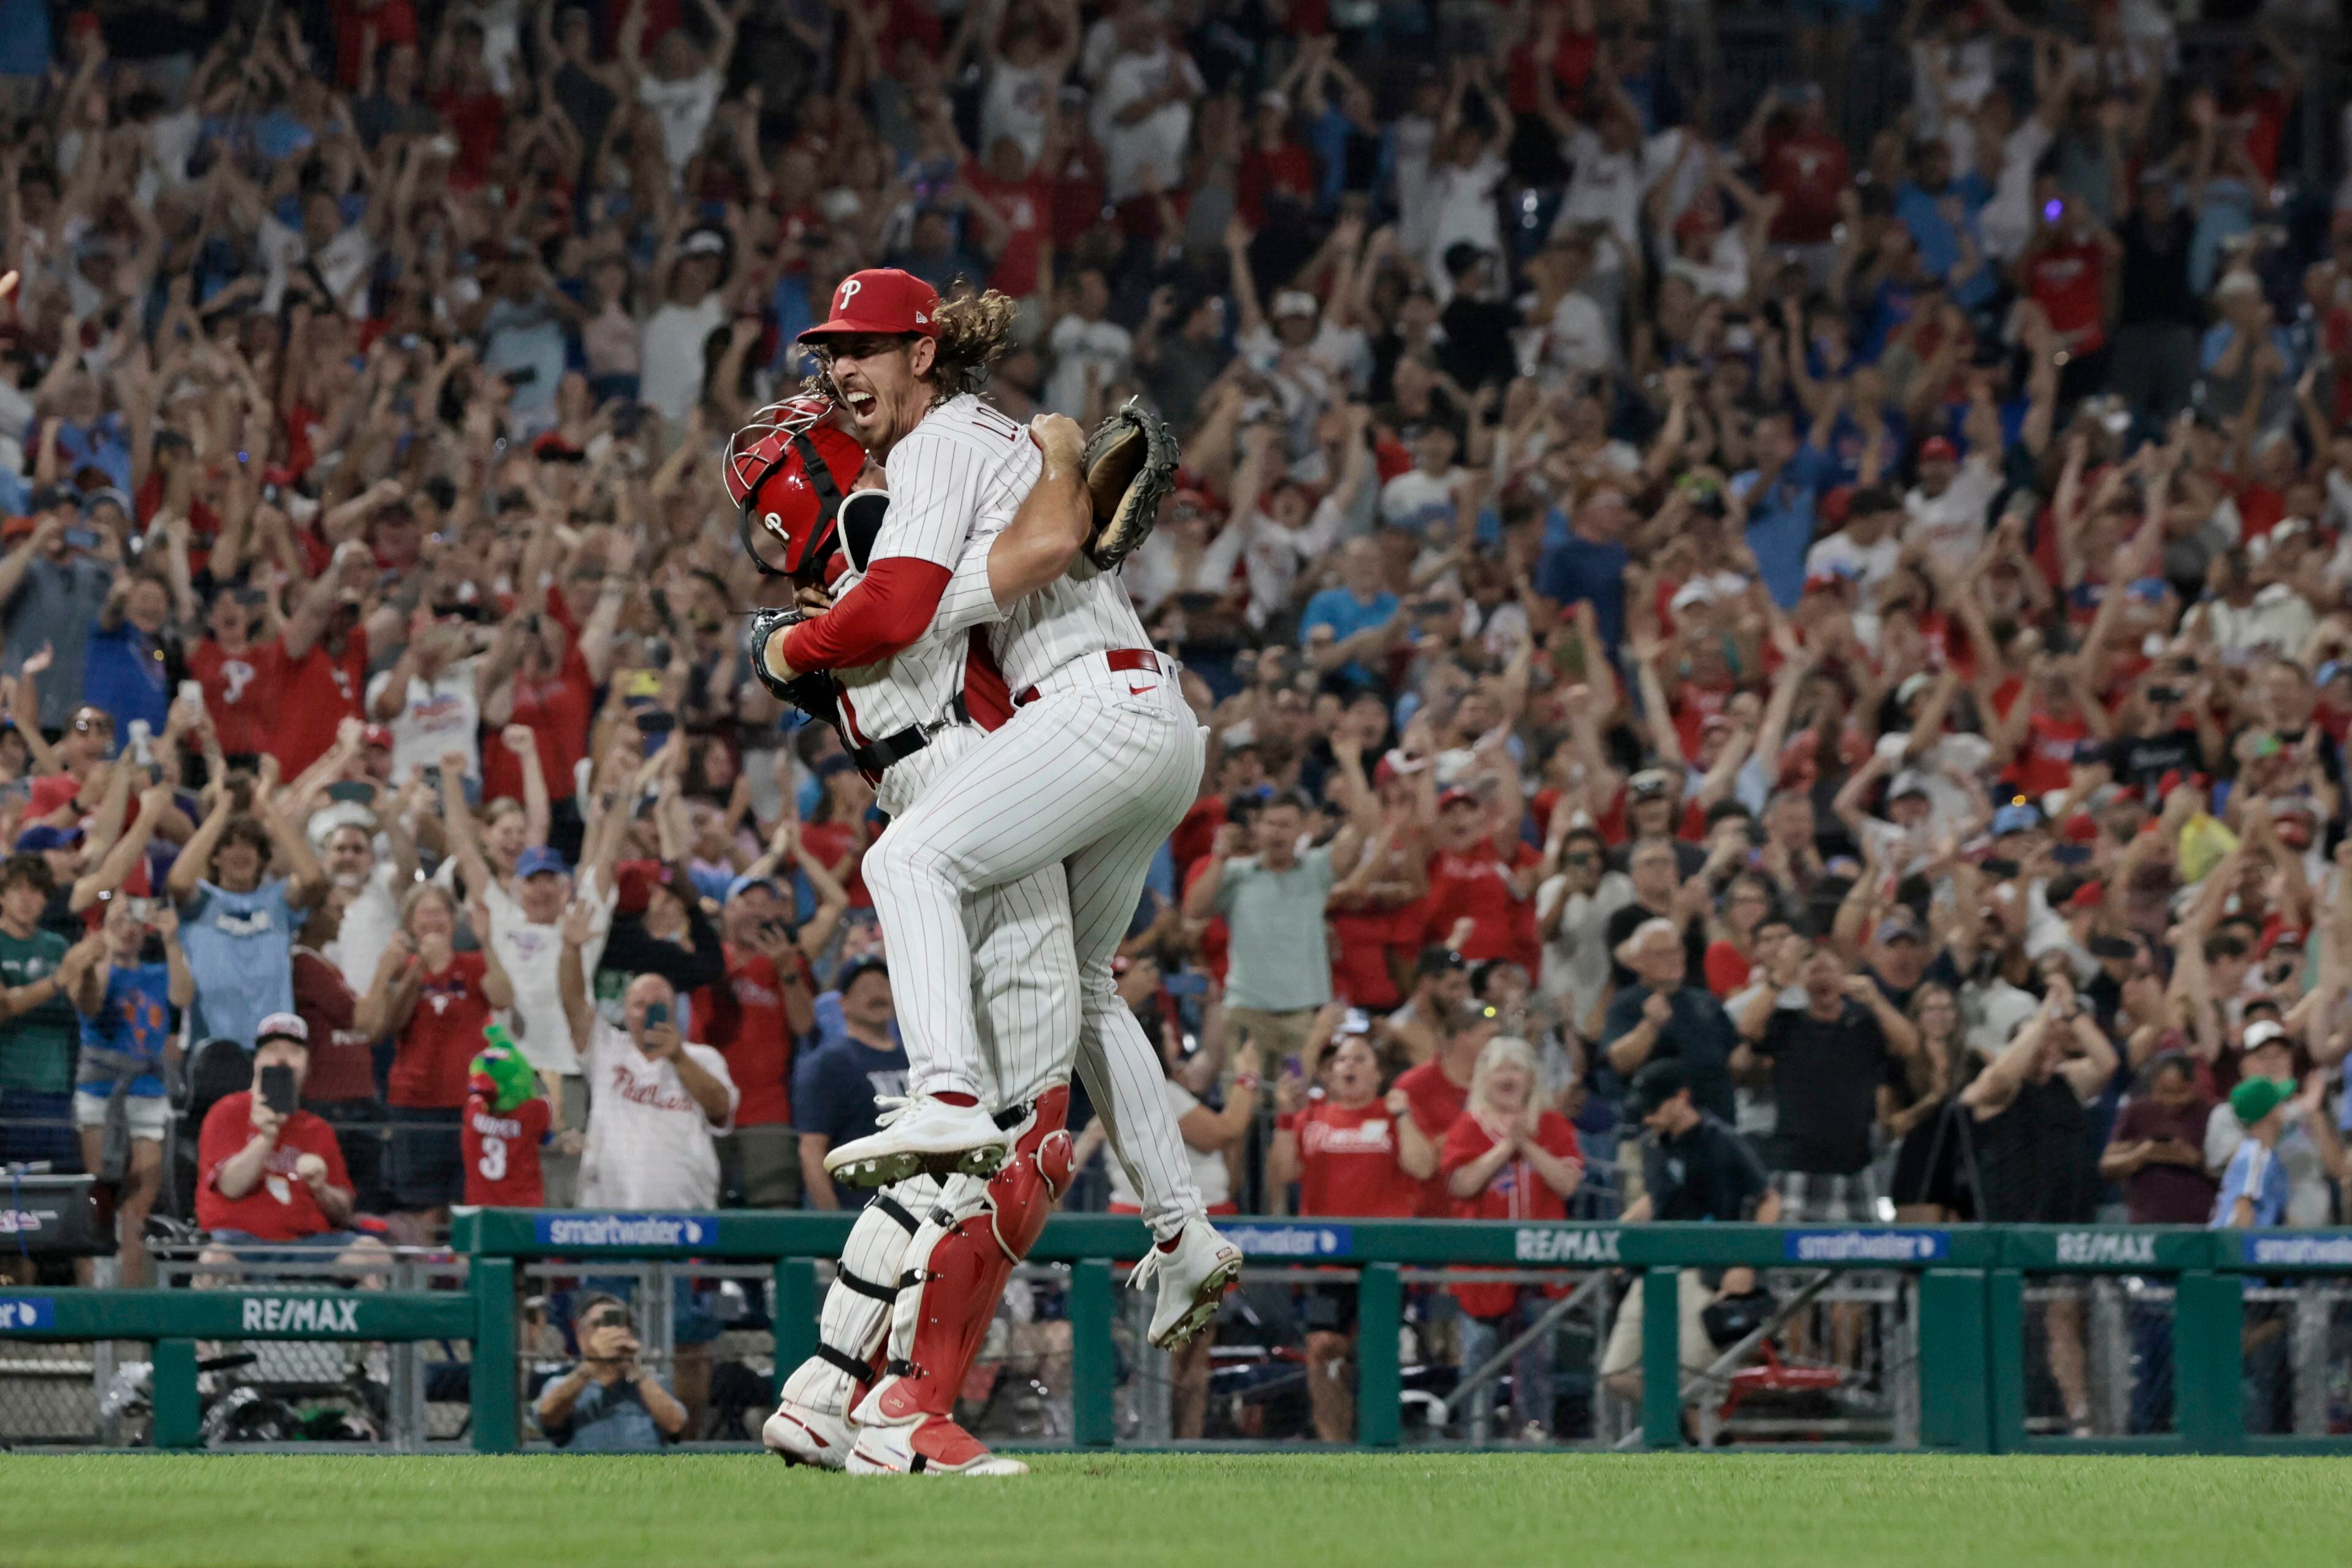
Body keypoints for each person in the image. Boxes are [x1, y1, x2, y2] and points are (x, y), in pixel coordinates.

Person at [1266, 1028, 1436, 1442]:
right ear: (1328, 1073)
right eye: (1342, 1060)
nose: (1350, 1066)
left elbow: (1423, 1167)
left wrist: (1404, 1116)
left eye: (1361, 1059)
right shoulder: (1311, 1117)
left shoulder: (1392, 1115)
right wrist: (1286, 1119)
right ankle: (1335, 1445)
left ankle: (1379, 1439)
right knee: (1323, 1349)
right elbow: (1283, 1174)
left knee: (1375, 1349)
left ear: (1378, 1074)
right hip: (1325, 1255)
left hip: (1382, 1254)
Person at [1440, 1035, 1584, 1441]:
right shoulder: (1468, 1127)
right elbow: (1462, 1184)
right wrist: (1505, 1148)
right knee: (1478, 1353)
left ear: (1531, 1078)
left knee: (1538, 1354)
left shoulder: (1552, 1125)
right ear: (1483, 1079)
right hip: (1481, 1264)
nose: (1508, 1076)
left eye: (1516, 1068)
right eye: (1499, 1068)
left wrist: (1528, 1146)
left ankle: (1535, 1429)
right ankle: (1476, 1431)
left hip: (1539, 1263)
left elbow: (1567, 1183)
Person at [559, 899, 739, 1211]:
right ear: (625, 1012)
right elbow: (574, 1006)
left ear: (672, 1009)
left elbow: (721, 1110)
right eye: (639, 1005)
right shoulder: (608, 1049)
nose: (647, 1012)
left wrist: (678, 1057)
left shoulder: (702, 1058)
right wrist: (571, 950)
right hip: (607, 1215)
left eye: (657, 1004)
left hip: (686, 1216)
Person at [368, 882, 516, 1230]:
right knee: (422, 1208)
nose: (433, 920)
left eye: (440, 912)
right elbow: (388, 1026)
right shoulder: (399, 967)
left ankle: (461, 1278)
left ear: (453, 920)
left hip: (470, 1103)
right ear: (410, 922)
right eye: (424, 912)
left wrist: (487, 942)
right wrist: (418, 970)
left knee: (468, 1202)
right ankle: (427, 1278)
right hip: (415, 1104)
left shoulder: (475, 964)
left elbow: (504, 997)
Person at [193, 1018, 389, 1274]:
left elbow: (344, 1212)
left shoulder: (318, 1129)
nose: (282, 1060)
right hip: (240, 1243)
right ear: (257, 1062)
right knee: (213, 1263)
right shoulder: (226, 1112)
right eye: (273, 1051)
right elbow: (230, 1187)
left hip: (310, 1244)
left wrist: (322, 1189)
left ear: (307, 1066)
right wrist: (266, 1138)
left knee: (374, 1256)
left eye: (294, 1052)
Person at [67, 895, 191, 1285]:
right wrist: (99, 950)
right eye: (118, 919)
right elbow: (90, 1003)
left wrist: (172, 941)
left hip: (148, 1090)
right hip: (101, 1091)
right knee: (97, 1196)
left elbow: (183, 998)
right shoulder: (92, 965)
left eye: (134, 919)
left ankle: (129, 1312)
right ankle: (93, 1310)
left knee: (137, 1208)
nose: (128, 927)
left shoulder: (156, 971)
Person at [167, 781, 328, 1054]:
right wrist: (222, 809)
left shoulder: (278, 901)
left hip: (274, 1046)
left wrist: (268, 806)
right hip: (211, 1046)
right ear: (215, 857)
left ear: (262, 858)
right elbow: (178, 881)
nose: (239, 853)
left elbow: (313, 880)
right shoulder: (201, 901)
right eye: (229, 845)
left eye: (249, 846)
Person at [0, 853, 94, 1169]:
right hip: (7, 1087)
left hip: (55, 1089)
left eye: (38, 892)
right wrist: (59, 979)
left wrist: (89, 969)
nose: (28, 899)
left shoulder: (57, 946)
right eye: (19, 889)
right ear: (2, 894)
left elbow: (89, 1006)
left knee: (57, 1188)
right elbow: (3, 1007)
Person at [533, 1294, 689, 1451]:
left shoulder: (654, 1383)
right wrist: (592, 1364)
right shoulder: (560, 1384)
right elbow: (548, 1417)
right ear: (581, 1337)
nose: (609, 1333)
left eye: (617, 1323)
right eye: (599, 1324)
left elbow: (675, 1425)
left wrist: (632, 1368)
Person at [463, 1033, 555, 1209]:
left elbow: (480, 1093)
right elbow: (554, 1117)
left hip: (481, 1211)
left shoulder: (473, 1110)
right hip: (523, 1210)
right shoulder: (534, 1112)